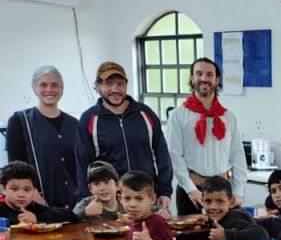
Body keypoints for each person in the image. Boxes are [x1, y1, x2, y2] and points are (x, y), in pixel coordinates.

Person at [76, 62, 173, 210]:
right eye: (109, 84)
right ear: (97, 86)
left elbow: (162, 154)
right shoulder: (88, 119)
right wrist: (86, 200)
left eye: (120, 84)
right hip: (110, 203)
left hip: (146, 198)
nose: (115, 89)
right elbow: (83, 163)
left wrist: (165, 191)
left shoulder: (145, 114)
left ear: (126, 85)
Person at [166, 57, 248, 215]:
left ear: (216, 80)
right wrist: (191, 190)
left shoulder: (229, 117)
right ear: (192, 78)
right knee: (192, 232)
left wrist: (238, 191)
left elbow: (237, 154)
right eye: (199, 74)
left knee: (224, 232)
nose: (204, 78)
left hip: (223, 192)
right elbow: (174, 155)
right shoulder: (178, 115)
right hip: (192, 192)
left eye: (209, 74)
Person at [6, 66, 80, 211]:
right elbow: (14, 168)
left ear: (62, 88)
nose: (49, 90)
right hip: (37, 203)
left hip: (73, 204)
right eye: (43, 85)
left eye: (54, 85)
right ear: (35, 87)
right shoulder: (20, 120)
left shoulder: (74, 124)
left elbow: (80, 165)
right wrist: (34, 195)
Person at [0, 161, 77, 225]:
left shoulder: (33, 207)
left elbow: (71, 216)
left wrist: (37, 219)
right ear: (3, 189)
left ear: (34, 190)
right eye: (14, 189)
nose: (21, 195)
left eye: (27, 190)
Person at [200, 175, 270, 240]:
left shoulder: (234, 216)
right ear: (202, 202)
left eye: (220, 201)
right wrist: (208, 220)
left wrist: (226, 235)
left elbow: (261, 233)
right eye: (208, 201)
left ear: (231, 202)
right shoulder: (222, 215)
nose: (213, 207)